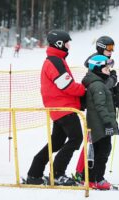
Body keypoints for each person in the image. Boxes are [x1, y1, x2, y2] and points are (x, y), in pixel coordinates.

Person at [26, 30, 85, 186]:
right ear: (59, 44)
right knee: (76, 138)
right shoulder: (55, 61)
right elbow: (66, 85)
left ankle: (34, 173)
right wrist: (84, 90)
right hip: (64, 108)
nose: (69, 47)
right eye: (67, 43)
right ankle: (58, 174)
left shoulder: (55, 60)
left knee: (57, 142)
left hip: (59, 108)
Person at [79, 55, 119, 190]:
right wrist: (108, 123)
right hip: (101, 125)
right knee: (103, 151)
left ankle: (89, 178)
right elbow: (100, 106)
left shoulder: (96, 83)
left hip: (97, 124)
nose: (109, 71)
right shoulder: (98, 85)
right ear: (97, 69)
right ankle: (98, 179)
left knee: (96, 152)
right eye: (106, 69)